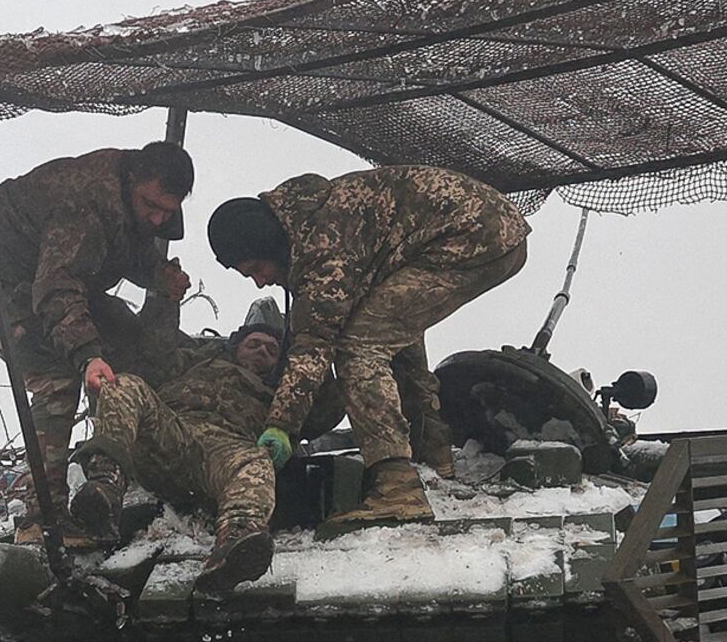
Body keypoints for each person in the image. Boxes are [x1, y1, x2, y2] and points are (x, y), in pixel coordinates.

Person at [207, 164, 531, 532]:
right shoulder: (303, 219)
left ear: (269, 244)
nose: (261, 282)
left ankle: (397, 488)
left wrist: (281, 426)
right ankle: (433, 453)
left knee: (359, 345)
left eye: (257, 268)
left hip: (471, 236)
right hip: (485, 228)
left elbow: (314, 347)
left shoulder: (321, 249)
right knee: (387, 325)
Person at [0, 140, 196, 522]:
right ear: (132, 181)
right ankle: (46, 511)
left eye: (167, 212)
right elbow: (57, 288)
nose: (158, 220)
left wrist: (160, 275)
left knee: (131, 344)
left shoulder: (133, 199)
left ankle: (110, 471)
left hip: (55, 278)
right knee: (57, 377)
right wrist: (88, 355)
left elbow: (125, 248)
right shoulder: (84, 205)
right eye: (152, 207)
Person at [80, 305, 336, 591]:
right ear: (236, 347)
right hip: (172, 435)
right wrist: (164, 298)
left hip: (225, 454)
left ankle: (236, 544)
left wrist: (310, 346)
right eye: (254, 344)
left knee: (255, 461)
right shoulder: (195, 362)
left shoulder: (283, 395)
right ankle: (106, 484)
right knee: (124, 384)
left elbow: (328, 409)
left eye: (272, 350)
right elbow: (154, 356)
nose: (262, 351)